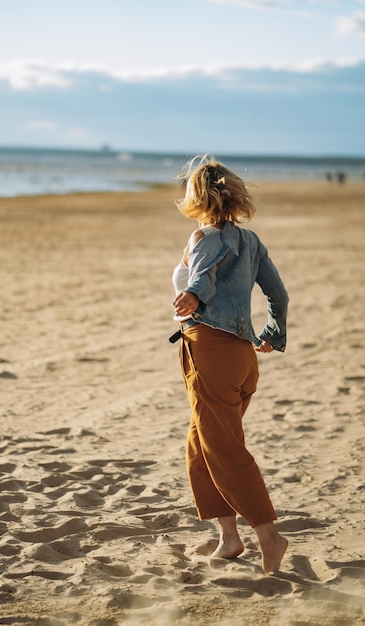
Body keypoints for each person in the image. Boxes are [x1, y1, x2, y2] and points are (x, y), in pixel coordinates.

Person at [172, 155, 289, 574]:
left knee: (223, 449)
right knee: (200, 446)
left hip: (210, 350)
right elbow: (279, 296)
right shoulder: (252, 241)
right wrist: (275, 332)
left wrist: (195, 296)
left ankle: (269, 536)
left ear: (196, 197)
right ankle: (229, 538)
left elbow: (205, 273)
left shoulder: (203, 236)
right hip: (242, 356)